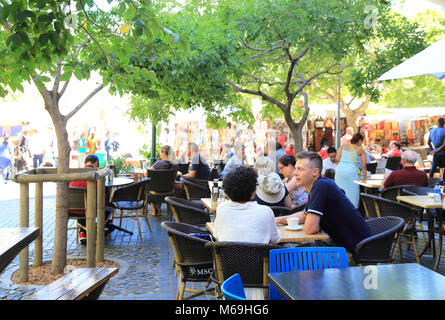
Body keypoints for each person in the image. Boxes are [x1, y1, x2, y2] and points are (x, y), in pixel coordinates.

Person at [275, 151, 371, 255]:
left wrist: (310, 219)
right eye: (296, 168)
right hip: (346, 246)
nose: (295, 173)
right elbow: (304, 215)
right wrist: (279, 220)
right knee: (294, 252)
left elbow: (311, 228)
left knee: (292, 255)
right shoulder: (319, 185)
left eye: (300, 169)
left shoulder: (321, 186)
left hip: (356, 252)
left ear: (315, 172)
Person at [214, 166, 280, 299]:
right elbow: (276, 239)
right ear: (254, 191)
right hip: (261, 279)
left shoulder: (221, 209)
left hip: (228, 278)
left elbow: (217, 236)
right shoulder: (266, 211)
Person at [68, 154, 112, 244]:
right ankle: (100, 229)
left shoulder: (76, 174)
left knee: (83, 204)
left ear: (84, 163)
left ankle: (83, 232)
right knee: (109, 206)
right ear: (96, 163)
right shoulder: (97, 176)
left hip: (72, 210)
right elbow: (102, 196)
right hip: (90, 210)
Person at [334, 133, 367, 208]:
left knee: (339, 190)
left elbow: (337, 159)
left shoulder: (343, 145)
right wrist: (365, 178)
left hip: (340, 170)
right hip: (351, 171)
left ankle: (338, 208)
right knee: (352, 192)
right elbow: (364, 166)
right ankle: (352, 209)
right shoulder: (360, 150)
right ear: (359, 140)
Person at [149, 145, 179, 215]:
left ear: (163, 153)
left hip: (156, 189)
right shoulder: (175, 164)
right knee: (160, 184)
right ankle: (158, 209)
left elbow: (148, 173)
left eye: (160, 152)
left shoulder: (158, 163)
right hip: (170, 189)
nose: (160, 154)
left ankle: (154, 210)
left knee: (151, 186)